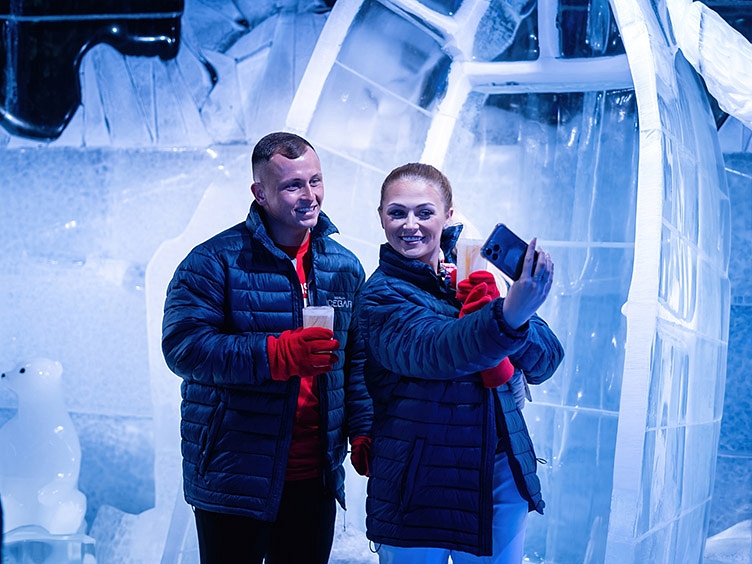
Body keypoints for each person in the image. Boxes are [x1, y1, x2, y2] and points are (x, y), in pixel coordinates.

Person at [162, 132, 373, 564]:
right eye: (293, 185)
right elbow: (183, 346)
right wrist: (275, 355)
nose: (310, 196)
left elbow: (357, 363)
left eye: (315, 181)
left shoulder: (344, 267)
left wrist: (364, 428)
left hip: (315, 475)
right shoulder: (213, 261)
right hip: (234, 474)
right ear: (259, 192)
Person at [355, 163, 564, 563]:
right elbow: (439, 350)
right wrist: (507, 316)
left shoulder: (475, 273)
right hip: (417, 482)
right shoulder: (380, 297)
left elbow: (546, 359)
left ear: (449, 215)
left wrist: (503, 309)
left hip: (498, 470)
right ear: (380, 216)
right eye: (397, 212)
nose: (410, 224)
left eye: (424, 212)